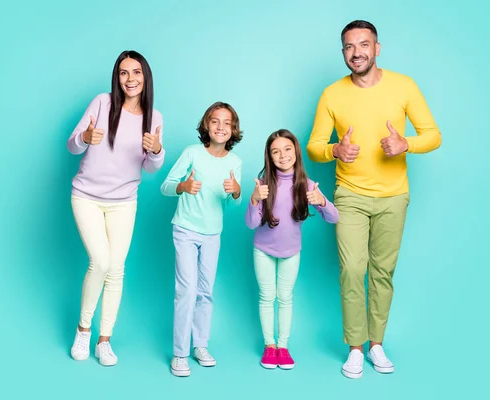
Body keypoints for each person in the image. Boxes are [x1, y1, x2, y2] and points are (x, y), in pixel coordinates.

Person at [306, 20, 442, 379]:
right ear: (343, 53)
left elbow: (433, 135)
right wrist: (335, 149)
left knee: (382, 272)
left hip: (394, 196)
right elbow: (313, 147)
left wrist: (406, 144)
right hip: (349, 194)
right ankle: (355, 347)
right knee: (352, 270)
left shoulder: (404, 86)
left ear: (377, 48)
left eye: (364, 45)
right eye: (349, 47)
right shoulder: (332, 94)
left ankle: (377, 344)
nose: (357, 53)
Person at [67, 50, 165, 366]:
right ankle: (83, 329)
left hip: (124, 201)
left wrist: (157, 151)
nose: (130, 78)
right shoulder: (102, 103)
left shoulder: (155, 117)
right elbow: (72, 145)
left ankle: (104, 340)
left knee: (117, 269)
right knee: (101, 260)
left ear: (145, 77)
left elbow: (150, 169)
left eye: (136, 72)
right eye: (124, 73)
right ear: (117, 77)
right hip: (87, 196)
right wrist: (84, 137)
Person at [160, 101, 243, 377]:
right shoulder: (192, 153)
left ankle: (201, 346)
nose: (221, 127)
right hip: (185, 230)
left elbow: (231, 204)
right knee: (186, 290)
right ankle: (180, 353)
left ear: (233, 130)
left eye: (227, 123)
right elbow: (165, 187)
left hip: (213, 235)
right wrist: (183, 186)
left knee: (205, 292)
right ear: (207, 125)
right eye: (215, 121)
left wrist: (235, 191)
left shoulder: (235, 162)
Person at [246, 129, 339, 370]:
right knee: (267, 297)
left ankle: (283, 346)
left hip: (291, 252)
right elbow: (251, 223)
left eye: (287, 149)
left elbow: (334, 217)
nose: (282, 155)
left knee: (285, 297)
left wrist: (322, 202)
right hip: (263, 250)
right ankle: (270, 346)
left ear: (296, 152)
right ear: (269, 156)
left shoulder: (307, 185)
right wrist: (255, 199)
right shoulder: (264, 184)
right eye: (275, 151)